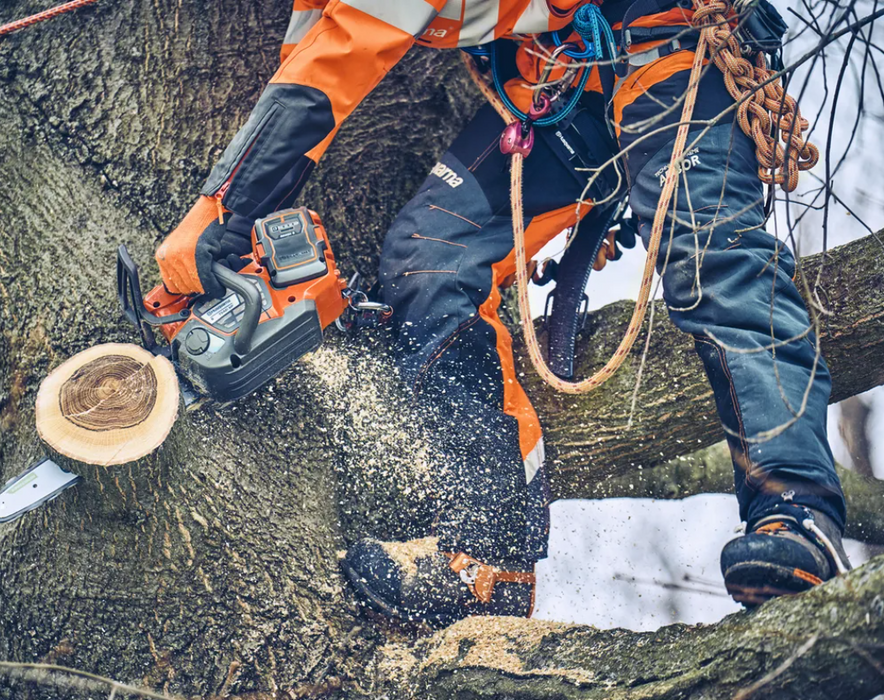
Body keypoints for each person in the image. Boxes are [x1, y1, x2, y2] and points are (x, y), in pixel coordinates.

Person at [155, 0, 851, 624]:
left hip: (673, 44)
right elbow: (314, 50)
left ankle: (796, 512)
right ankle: (489, 559)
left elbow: (344, 54)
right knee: (432, 254)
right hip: (565, 76)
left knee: (710, 259)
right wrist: (243, 210)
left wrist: (222, 212)